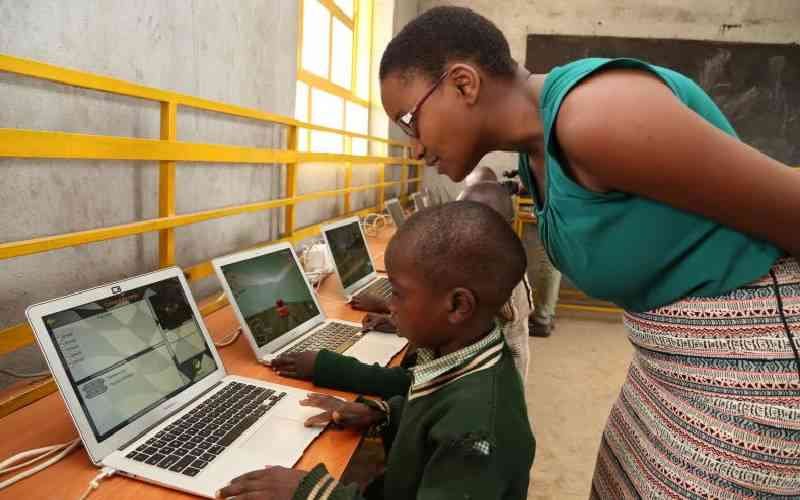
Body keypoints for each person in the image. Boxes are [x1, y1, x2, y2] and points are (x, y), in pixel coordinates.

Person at [377, 6, 800, 498]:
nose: (415, 147)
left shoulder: (594, 116)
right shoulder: (534, 152)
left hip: (754, 372)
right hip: (665, 366)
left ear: (464, 84)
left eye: (409, 122)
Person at [219, 202, 535, 500]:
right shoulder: (462, 357)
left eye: (397, 293)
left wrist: (314, 492)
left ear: (457, 306)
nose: (390, 306)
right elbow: (430, 411)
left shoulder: (475, 434)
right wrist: (385, 414)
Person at [275, 181, 533, 388]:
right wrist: (399, 319)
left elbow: (419, 382)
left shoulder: (472, 387)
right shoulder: (478, 305)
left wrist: (327, 367)